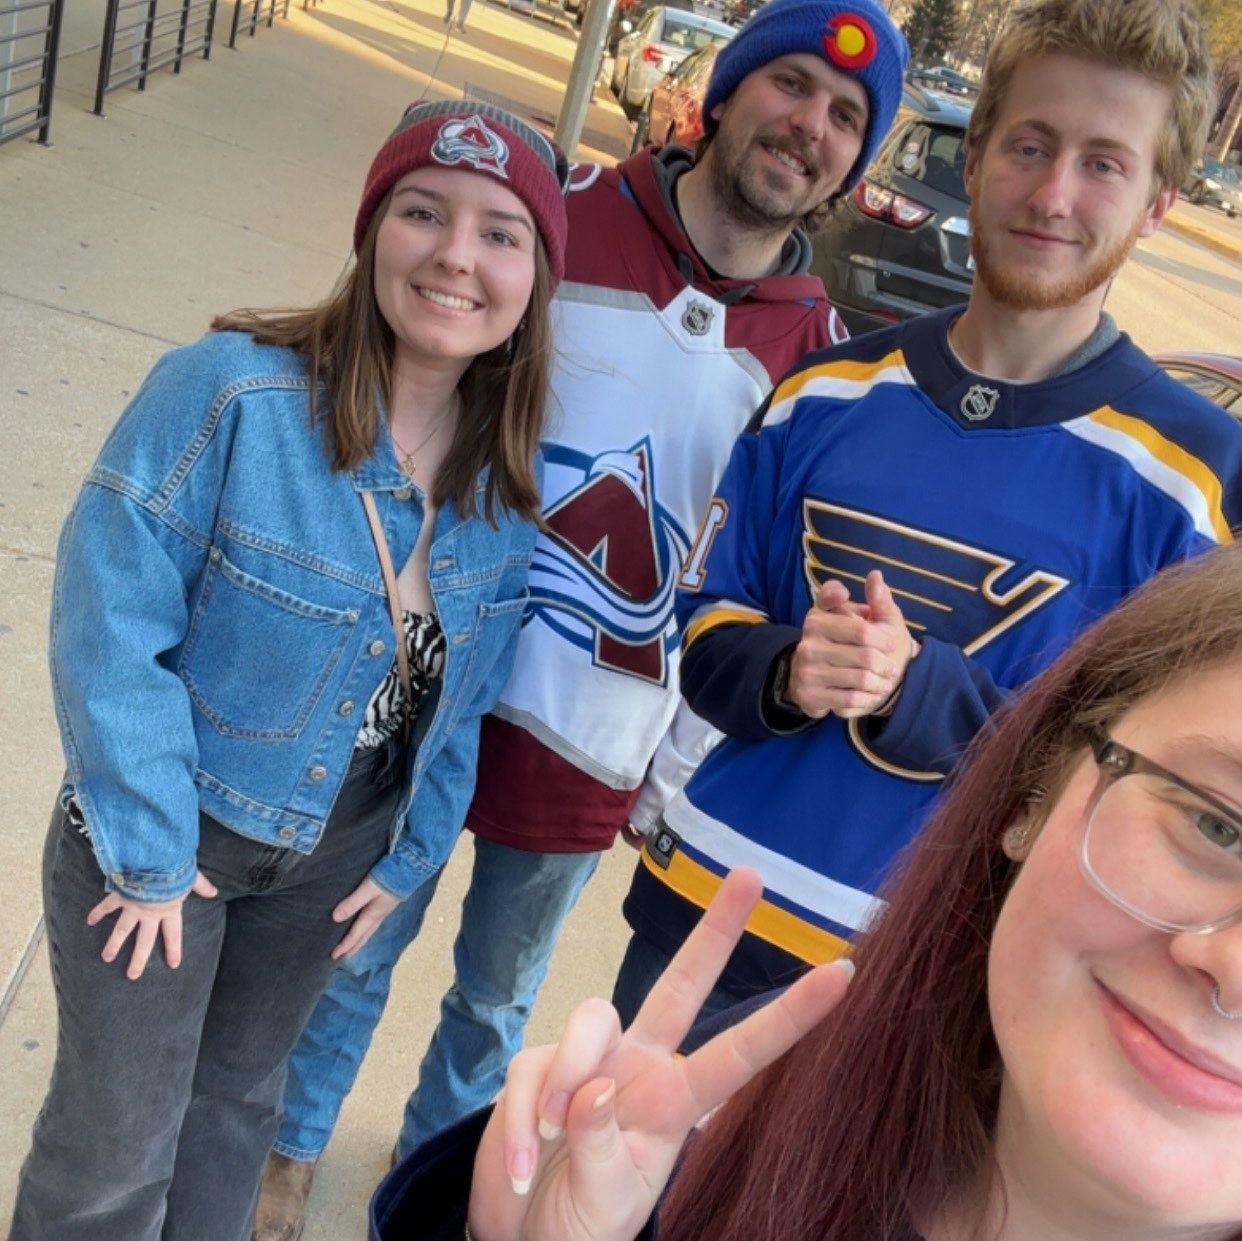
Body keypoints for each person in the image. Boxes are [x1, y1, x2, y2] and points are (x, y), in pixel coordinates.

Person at [253, 3, 909, 1235]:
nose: (809, 126)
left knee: (494, 997)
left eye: (846, 117)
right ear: (725, 91)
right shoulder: (563, 218)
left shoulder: (822, 359)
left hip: (598, 727)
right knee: (357, 943)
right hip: (432, 672)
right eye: (792, 85)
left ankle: (447, 1179)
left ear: (851, 166)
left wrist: (681, 762)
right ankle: (289, 1148)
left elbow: (759, 583)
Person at [613, 0, 1242, 1024]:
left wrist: (923, 690)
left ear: (1158, 205)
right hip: (701, 919)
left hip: (932, 994)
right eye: (1029, 146)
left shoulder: (1201, 485)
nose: (1052, 194)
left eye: (1102, 164)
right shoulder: (822, 390)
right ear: (977, 157)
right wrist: (787, 668)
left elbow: (1164, 795)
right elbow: (706, 634)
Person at [8, 99, 569, 1241]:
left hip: (332, 865)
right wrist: (151, 853)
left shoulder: (501, 495)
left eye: (501, 232)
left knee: (234, 1115)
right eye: (424, 212)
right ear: (373, 233)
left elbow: (457, 711)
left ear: (534, 280)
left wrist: (409, 857)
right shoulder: (230, 393)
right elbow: (109, 617)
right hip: (173, 838)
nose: (457, 256)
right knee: (116, 1148)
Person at [373, 533, 1242, 1241]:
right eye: (1218, 824)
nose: (1232, 969)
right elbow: (708, 624)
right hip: (731, 919)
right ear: (1034, 794)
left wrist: (918, 685)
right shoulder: (736, 1123)